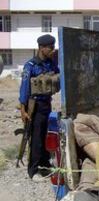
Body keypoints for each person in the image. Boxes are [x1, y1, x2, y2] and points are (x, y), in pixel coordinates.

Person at [19, 34, 59, 182]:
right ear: (41, 48)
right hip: (34, 106)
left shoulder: (50, 64)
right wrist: (23, 110)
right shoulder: (30, 66)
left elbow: (57, 76)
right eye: (50, 48)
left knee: (45, 136)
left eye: (53, 47)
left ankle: (44, 164)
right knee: (35, 138)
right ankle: (33, 170)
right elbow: (24, 88)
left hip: (46, 104)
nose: (52, 50)